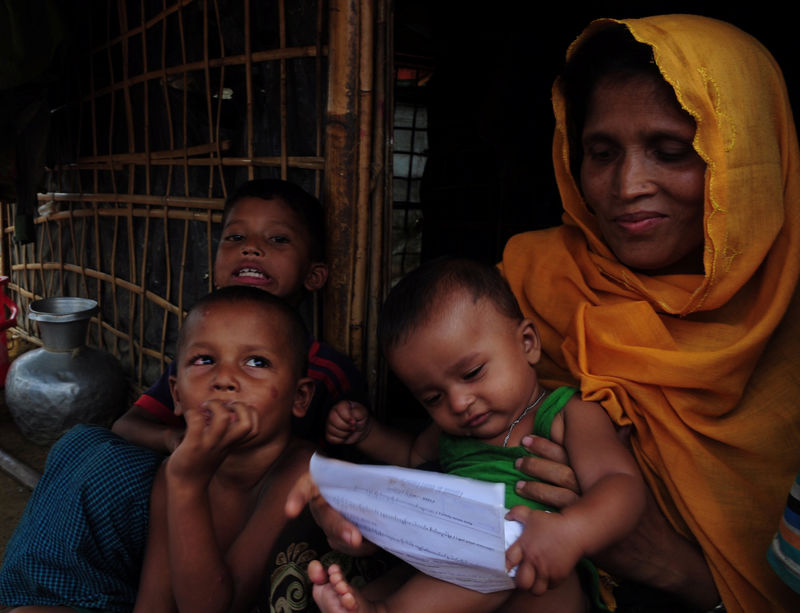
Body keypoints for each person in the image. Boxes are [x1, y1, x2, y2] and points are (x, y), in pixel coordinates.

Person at [498, 15, 800, 613]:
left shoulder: (789, 330)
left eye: (671, 152)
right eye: (601, 152)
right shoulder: (528, 283)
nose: (627, 185)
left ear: (750, 162)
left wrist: (661, 559)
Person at [308, 258, 646, 613]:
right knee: (409, 574)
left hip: (543, 573)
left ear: (527, 342)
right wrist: (367, 434)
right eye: (433, 398)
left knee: (508, 565)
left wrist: (572, 532)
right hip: (455, 568)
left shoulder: (566, 413)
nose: (458, 402)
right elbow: (410, 456)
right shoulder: (451, 432)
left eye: (472, 373)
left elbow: (619, 482)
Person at [0, 286, 316, 612]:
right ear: (176, 395)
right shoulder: (174, 472)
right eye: (205, 360)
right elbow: (153, 605)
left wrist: (187, 484)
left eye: (256, 361)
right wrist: (181, 479)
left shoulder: (299, 470)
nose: (225, 379)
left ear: (300, 397)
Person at [112, 178, 367, 453]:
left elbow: (351, 465)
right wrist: (175, 441)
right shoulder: (198, 362)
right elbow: (127, 427)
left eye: (278, 239)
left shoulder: (328, 372)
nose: (251, 248)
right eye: (236, 237)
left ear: (314, 275)